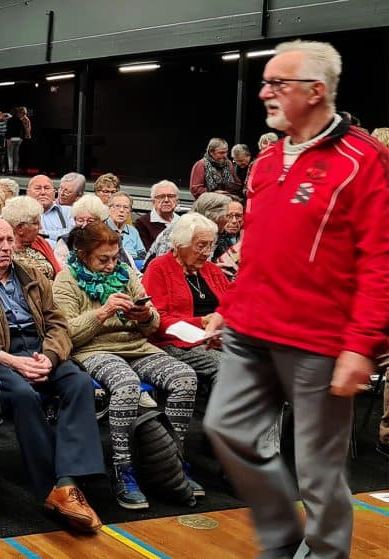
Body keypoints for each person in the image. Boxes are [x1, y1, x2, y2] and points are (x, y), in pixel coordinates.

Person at [203, 40, 389, 559]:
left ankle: (326, 552)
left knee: (319, 471)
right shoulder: (263, 163)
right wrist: (230, 306)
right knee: (226, 429)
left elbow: (382, 260)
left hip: (320, 342)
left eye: (277, 83)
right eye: (265, 81)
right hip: (250, 329)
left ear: (316, 91)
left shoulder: (364, 160)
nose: (264, 92)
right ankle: (284, 538)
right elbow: (258, 250)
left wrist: (361, 345)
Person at [0, 218, 105, 533]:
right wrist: (12, 361)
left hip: (39, 350)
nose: (7, 247)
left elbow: (57, 324)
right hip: (0, 356)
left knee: (78, 382)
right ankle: (51, 487)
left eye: (9, 240)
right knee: (23, 396)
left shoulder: (34, 275)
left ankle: (66, 482)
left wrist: (49, 358)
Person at [53, 222, 200, 510]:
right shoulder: (66, 281)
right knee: (126, 385)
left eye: (114, 257)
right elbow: (67, 334)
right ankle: (123, 470)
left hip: (137, 347)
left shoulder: (127, 274)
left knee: (185, 376)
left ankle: (172, 463)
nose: (110, 265)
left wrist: (144, 315)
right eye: (102, 259)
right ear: (83, 256)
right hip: (94, 350)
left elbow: (153, 326)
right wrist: (103, 312)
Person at [142, 213, 230, 393]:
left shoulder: (212, 270)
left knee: (261, 361)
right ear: (180, 244)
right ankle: (220, 420)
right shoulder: (159, 268)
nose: (207, 252)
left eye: (210, 246)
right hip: (177, 343)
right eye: (201, 245)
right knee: (229, 369)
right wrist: (203, 322)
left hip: (218, 339)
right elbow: (157, 321)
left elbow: (232, 305)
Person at [3, 196, 62, 280]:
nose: (40, 227)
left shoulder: (40, 242)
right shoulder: (4, 251)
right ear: (20, 228)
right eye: (36, 223)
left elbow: (58, 273)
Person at [134, 180, 179, 250]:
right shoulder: (142, 223)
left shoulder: (183, 221)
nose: (166, 200)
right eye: (161, 197)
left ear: (177, 201)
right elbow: (147, 253)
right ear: (153, 201)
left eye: (171, 196)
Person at [28, 175, 72, 243]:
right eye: (38, 188)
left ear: (54, 193)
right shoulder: (21, 215)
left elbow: (72, 236)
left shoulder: (69, 212)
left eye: (47, 188)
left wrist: (41, 233)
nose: (43, 192)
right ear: (28, 193)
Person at [106, 192, 146, 262]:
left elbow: (142, 255)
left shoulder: (133, 231)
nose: (121, 210)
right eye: (117, 206)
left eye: (126, 207)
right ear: (109, 208)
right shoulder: (101, 228)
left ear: (130, 211)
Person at [212, 199, 243, 280]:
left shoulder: (248, 237)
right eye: (229, 216)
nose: (234, 221)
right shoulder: (213, 238)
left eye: (238, 216)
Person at [4, 107, 29, 175]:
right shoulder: (20, 120)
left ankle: (10, 170)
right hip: (18, 138)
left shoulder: (9, 120)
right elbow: (23, 130)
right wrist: (22, 138)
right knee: (16, 154)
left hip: (10, 138)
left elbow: (8, 130)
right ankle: (15, 169)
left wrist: (7, 138)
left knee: (10, 155)